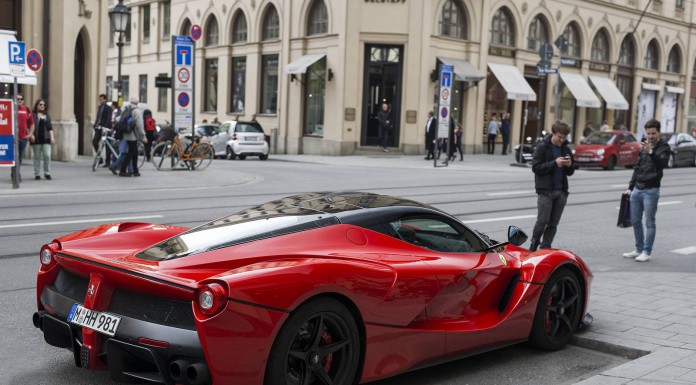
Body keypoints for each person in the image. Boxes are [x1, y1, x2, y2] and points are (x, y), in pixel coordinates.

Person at [622, 119, 671, 262]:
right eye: (648, 133)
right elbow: (637, 167)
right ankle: (638, 249)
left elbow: (663, 163)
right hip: (637, 188)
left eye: (653, 133)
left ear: (658, 132)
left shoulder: (664, 147)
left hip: (651, 190)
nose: (650, 136)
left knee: (649, 222)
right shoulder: (644, 146)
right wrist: (630, 186)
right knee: (636, 221)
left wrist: (650, 151)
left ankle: (646, 251)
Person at [529, 121, 575, 251]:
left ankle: (545, 247)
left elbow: (571, 172)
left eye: (564, 137)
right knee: (542, 221)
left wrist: (569, 165)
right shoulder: (543, 147)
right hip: (546, 191)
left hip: (561, 192)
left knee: (553, 223)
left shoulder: (565, 149)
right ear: (553, 134)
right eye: (559, 137)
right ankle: (534, 244)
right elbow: (536, 168)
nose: (561, 140)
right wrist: (554, 163)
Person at [116, 96, 147, 177]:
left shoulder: (126, 109)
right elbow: (140, 125)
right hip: (133, 135)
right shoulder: (137, 111)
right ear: (137, 102)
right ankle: (123, 170)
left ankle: (135, 171)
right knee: (130, 153)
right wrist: (143, 135)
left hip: (126, 133)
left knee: (134, 152)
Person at [12, 94, 34, 182]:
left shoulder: (27, 110)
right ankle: (16, 174)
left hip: (23, 138)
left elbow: (32, 123)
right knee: (14, 157)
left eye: (21, 99)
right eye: (17, 99)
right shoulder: (12, 109)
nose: (19, 100)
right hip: (13, 138)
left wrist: (30, 134)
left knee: (19, 157)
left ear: (23, 101)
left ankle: (16, 173)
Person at [30, 99, 54, 180]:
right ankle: (37, 174)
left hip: (46, 138)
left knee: (47, 155)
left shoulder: (47, 115)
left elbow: (50, 127)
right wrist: (31, 135)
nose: (42, 106)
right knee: (37, 157)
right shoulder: (33, 115)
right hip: (36, 138)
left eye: (43, 105)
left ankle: (47, 173)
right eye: (40, 104)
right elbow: (30, 126)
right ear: (37, 105)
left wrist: (52, 137)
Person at [93, 94, 112, 161]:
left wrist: (105, 128)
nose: (100, 101)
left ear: (105, 100)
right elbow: (98, 117)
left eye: (101, 99)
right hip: (98, 128)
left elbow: (108, 119)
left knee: (106, 144)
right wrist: (95, 125)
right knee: (94, 142)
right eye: (99, 99)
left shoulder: (108, 108)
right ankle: (99, 158)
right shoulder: (100, 107)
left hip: (105, 129)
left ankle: (108, 161)